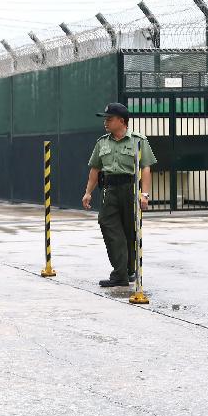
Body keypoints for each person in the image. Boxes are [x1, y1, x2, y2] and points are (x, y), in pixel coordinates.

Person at [82, 102, 156, 287]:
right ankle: (121, 272)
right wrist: (88, 193)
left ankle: (128, 271)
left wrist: (144, 194)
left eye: (109, 119)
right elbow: (95, 169)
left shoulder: (138, 140)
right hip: (110, 190)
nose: (106, 122)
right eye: (105, 119)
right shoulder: (102, 142)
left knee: (130, 230)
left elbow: (146, 168)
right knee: (107, 223)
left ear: (122, 121)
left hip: (130, 189)